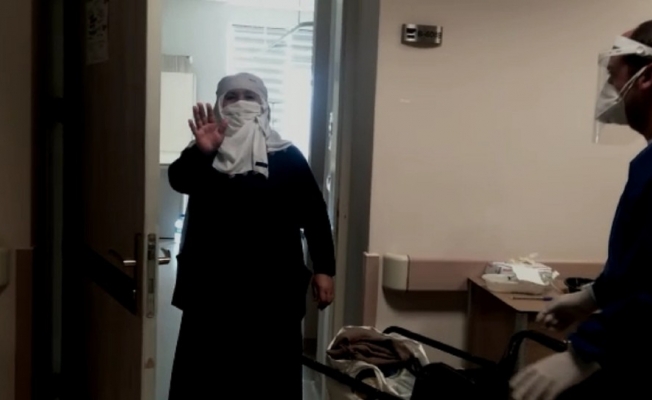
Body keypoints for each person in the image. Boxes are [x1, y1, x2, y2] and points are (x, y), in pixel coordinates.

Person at [167, 72, 336, 399]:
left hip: (272, 293)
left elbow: (314, 214)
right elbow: (179, 181)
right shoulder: (204, 152)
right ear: (219, 104)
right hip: (211, 292)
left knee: (268, 378)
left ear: (264, 105)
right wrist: (203, 151)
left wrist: (324, 268)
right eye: (231, 96)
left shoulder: (287, 156)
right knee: (206, 377)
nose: (240, 103)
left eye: (250, 96)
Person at [510, 21, 652, 400]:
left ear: (646, 77)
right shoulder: (645, 164)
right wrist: (592, 297)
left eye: (613, 75)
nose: (610, 90)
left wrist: (586, 352)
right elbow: (641, 264)